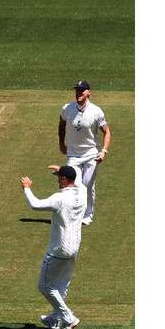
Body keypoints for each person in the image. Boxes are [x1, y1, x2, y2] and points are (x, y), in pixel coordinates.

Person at [20, 165, 87, 329]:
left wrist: (27, 188)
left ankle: (69, 318)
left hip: (58, 249)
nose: (58, 180)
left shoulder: (59, 198)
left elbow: (35, 205)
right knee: (61, 286)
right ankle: (55, 318)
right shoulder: (83, 192)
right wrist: (63, 171)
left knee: (45, 286)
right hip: (74, 248)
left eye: (60, 177)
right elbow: (77, 182)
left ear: (64, 179)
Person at [58, 80, 112, 225]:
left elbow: (107, 132)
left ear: (88, 92)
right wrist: (61, 142)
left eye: (82, 90)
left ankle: (88, 215)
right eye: (77, 90)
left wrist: (104, 151)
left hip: (91, 155)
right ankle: (73, 212)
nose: (79, 93)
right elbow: (62, 124)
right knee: (74, 184)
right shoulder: (67, 108)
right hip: (73, 155)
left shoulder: (96, 111)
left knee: (87, 185)